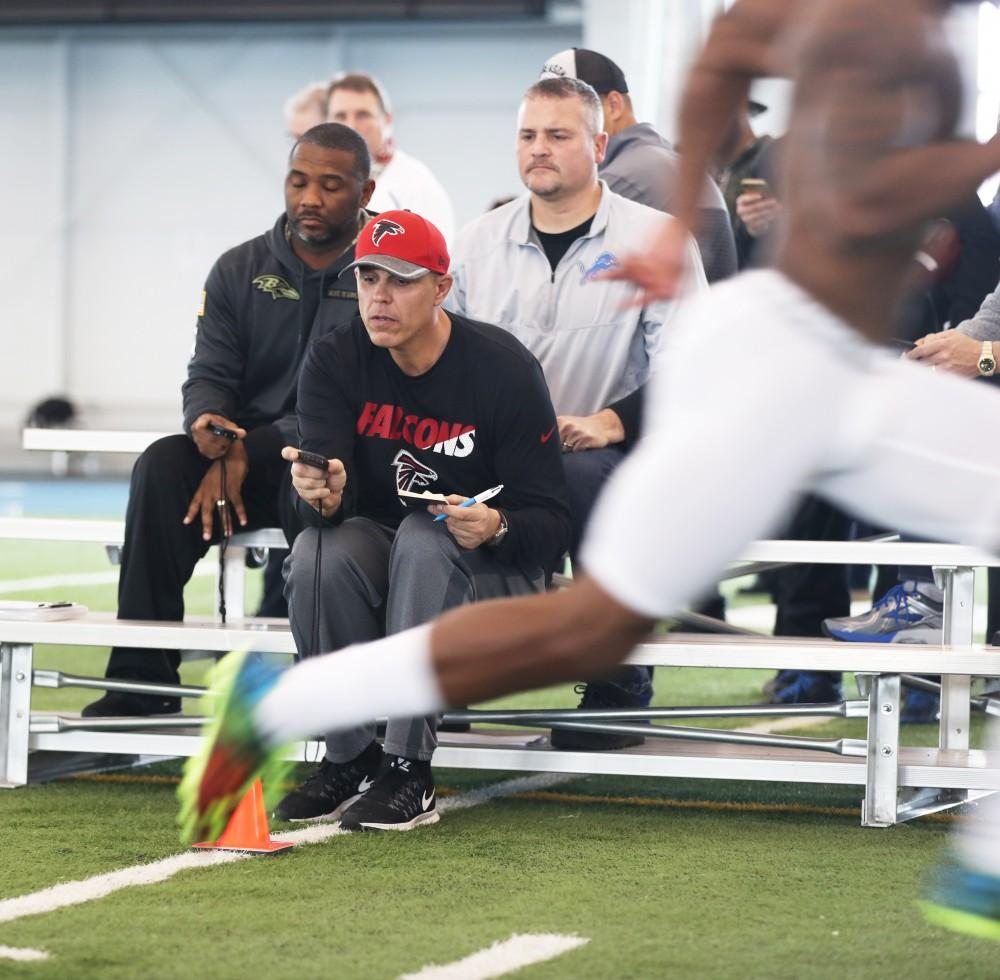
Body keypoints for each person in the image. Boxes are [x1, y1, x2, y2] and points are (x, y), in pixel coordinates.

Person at [182, 1, 1000, 943]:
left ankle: (277, 704)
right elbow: (751, 77)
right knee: (582, 614)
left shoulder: (893, 43)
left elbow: (728, 63)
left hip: (780, 357)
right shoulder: (881, 36)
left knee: (587, 627)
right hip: (803, 367)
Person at [272, 209, 570, 830]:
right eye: (368, 279)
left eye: (401, 281)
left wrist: (496, 526)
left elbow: (552, 524)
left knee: (424, 536)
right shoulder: (334, 360)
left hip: (497, 572)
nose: (379, 297)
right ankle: (350, 756)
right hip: (394, 567)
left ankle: (409, 768)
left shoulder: (502, 368)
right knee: (314, 550)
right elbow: (324, 502)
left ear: (442, 288)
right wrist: (319, 497)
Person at [447, 75, 706, 749]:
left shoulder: (658, 241)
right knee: (429, 486)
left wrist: (609, 422)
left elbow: (691, 368)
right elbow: (441, 357)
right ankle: (448, 677)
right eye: (528, 135)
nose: (539, 149)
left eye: (558, 136)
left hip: (609, 445)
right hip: (496, 450)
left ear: (597, 143)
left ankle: (617, 686)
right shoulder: (474, 243)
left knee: (591, 479)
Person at [82, 123, 374, 717]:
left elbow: (349, 402)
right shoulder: (238, 269)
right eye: (297, 181)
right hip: (237, 459)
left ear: (365, 193)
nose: (309, 198)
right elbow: (210, 368)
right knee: (163, 466)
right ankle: (141, 680)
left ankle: (323, 695)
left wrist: (255, 452)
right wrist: (209, 424)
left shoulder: (380, 276)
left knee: (315, 486)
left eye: (330, 185)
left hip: (333, 462)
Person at [540, 47, 736, 284]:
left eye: (571, 110)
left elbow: (558, 281)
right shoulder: (654, 159)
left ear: (613, 106)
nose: (553, 124)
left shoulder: (623, 179)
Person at [327, 72, 455, 242]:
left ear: (387, 120)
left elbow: (440, 255)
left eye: (362, 115)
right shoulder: (322, 184)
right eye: (340, 116)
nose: (351, 126)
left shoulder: (415, 183)